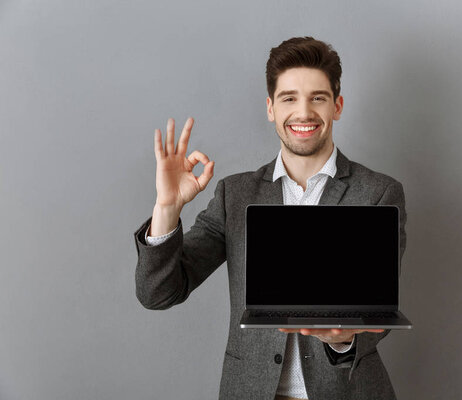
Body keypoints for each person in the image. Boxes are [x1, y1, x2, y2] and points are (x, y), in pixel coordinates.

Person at [133, 36, 407, 400]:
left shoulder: (378, 192)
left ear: (337, 106)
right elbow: (158, 294)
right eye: (289, 98)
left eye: (318, 98)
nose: (304, 112)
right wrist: (166, 208)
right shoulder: (236, 195)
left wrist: (344, 340)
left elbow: (378, 311)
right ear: (270, 108)